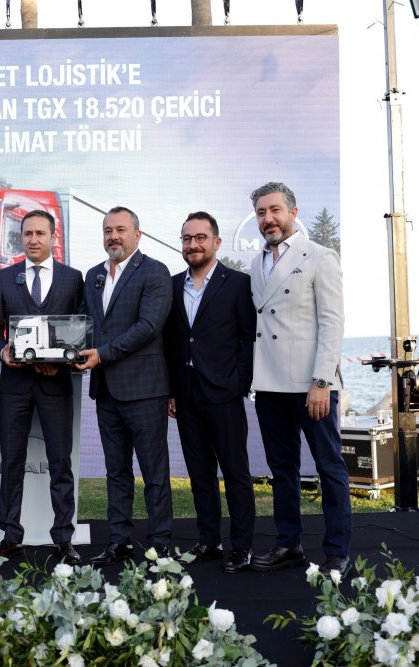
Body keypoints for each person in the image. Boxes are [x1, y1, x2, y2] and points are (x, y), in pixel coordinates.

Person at [247, 182, 351, 578]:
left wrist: (322, 381)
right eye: (261, 212)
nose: (268, 219)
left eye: (275, 210)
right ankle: (288, 543)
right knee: (282, 470)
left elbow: (332, 322)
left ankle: (337, 553)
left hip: (312, 386)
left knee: (329, 468)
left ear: (293, 212)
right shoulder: (256, 263)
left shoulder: (320, 256)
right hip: (269, 385)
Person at [74, 206, 174, 565]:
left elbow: (148, 327)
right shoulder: (93, 276)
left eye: (120, 229)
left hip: (145, 389)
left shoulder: (155, 272)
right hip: (106, 391)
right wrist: (64, 350)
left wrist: (102, 354)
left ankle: (160, 543)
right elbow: (85, 324)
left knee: (154, 472)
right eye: (107, 230)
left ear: (137, 235)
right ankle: (119, 541)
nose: (113, 236)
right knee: (116, 472)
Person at [0, 210, 85, 565]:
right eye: (27, 233)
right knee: (12, 462)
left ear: (53, 237)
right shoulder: (4, 277)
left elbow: (80, 328)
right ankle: (10, 536)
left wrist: (61, 362)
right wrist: (3, 351)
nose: (33, 239)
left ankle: (64, 539)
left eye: (40, 233)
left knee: (61, 463)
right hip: (15, 385)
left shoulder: (73, 279)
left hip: (56, 384)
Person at [162, 211, 257, 574]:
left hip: (224, 395)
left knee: (235, 473)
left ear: (216, 242)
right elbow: (173, 342)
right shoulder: (173, 286)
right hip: (186, 396)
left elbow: (248, 338)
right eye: (187, 238)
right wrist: (172, 390)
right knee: (200, 475)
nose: (193, 244)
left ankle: (242, 546)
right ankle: (209, 541)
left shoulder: (238, 283)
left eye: (200, 237)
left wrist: (239, 383)